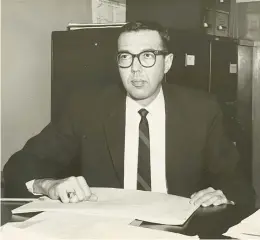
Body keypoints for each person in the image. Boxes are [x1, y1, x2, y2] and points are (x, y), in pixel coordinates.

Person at [3, 21, 255, 207]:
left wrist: (223, 193)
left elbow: (237, 181)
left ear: (167, 63)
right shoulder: (86, 107)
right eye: (126, 57)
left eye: (147, 56)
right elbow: (19, 165)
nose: (135, 69)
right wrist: (48, 184)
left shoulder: (201, 109)